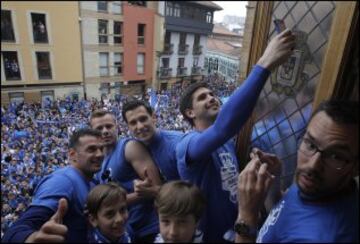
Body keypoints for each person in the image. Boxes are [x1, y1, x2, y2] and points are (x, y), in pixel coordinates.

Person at [176, 29, 296, 242]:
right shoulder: (187, 145)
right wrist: (265, 63)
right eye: (202, 97)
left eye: (212, 94)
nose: (212, 98)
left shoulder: (228, 143)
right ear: (190, 113)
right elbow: (224, 127)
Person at [236, 100, 359, 242]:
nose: (313, 165)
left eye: (335, 156)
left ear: (356, 167)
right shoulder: (318, 187)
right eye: (311, 145)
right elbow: (282, 213)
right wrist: (275, 181)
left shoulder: (319, 238)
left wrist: (246, 217)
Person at [2, 128, 104, 242]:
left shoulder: (90, 181)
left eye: (101, 149)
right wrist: (31, 238)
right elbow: (15, 232)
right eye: (91, 149)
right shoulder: (63, 181)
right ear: (72, 155)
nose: (99, 154)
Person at [89, 109, 162, 242]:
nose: (105, 131)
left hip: (149, 228)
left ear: (117, 127)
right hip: (126, 231)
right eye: (99, 128)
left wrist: (107, 204)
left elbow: (157, 188)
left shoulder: (129, 147)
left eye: (109, 126)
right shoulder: (99, 160)